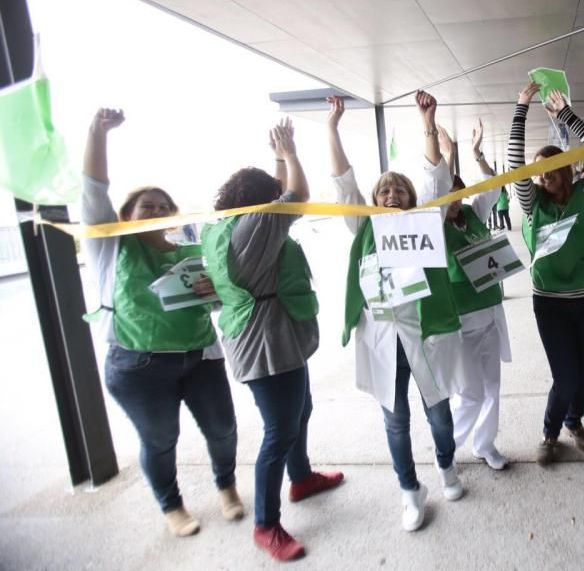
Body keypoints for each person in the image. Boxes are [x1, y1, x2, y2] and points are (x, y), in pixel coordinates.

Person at [81, 108, 242, 538]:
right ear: (126, 215)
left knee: (223, 428)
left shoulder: (187, 250)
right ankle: (171, 505)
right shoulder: (110, 249)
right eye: (145, 206)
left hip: (201, 357)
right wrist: (98, 133)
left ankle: (226, 487)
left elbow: (202, 303)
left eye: (163, 206)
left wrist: (213, 296)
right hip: (138, 367)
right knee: (160, 439)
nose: (155, 211)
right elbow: (92, 194)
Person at [329, 92, 470, 532]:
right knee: (395, 420)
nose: (391, 194)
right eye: (383, 189)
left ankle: (446, 466)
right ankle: (409, 490)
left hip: (426, 335)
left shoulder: (425, 220)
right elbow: (343, 185)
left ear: (410, 198)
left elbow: (435, 180)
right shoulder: (364, 227)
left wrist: (428, 122)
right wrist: (331, 130)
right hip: (383, 339)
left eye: (399, 189)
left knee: (440, 413)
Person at [202, 119, 341, 561]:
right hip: (265, 345)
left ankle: (300, 478)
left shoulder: (229, 227)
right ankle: (266, 524)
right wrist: (292, 153)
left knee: (300, 409)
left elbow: (280, 193)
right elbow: (295, 195)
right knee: (278, 431)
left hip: (274, 336)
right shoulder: (253, 227)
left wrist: (278, 159)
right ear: (258, 203)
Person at [508, 82, 584, 465]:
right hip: (550, 304)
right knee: (566, 377)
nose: (540, 176)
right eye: (537, 172)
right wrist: (522, 108)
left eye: (548, 168)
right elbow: (516, 164)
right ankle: (551, 433)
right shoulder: (534, 204)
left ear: (565, 169)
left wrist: (565, 113)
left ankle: (575, 421)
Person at [437, 124, 512, 471]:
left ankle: (485, 444)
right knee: (470, 394)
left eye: (458, 193)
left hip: (489, 317)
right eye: (447, 194)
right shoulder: (435, 227)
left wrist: (477, 154)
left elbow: (495, 186)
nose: (455, 200)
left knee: (493, 388)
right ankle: (446, 450)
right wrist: (446, 156)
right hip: (461, 323)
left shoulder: (472, 215)